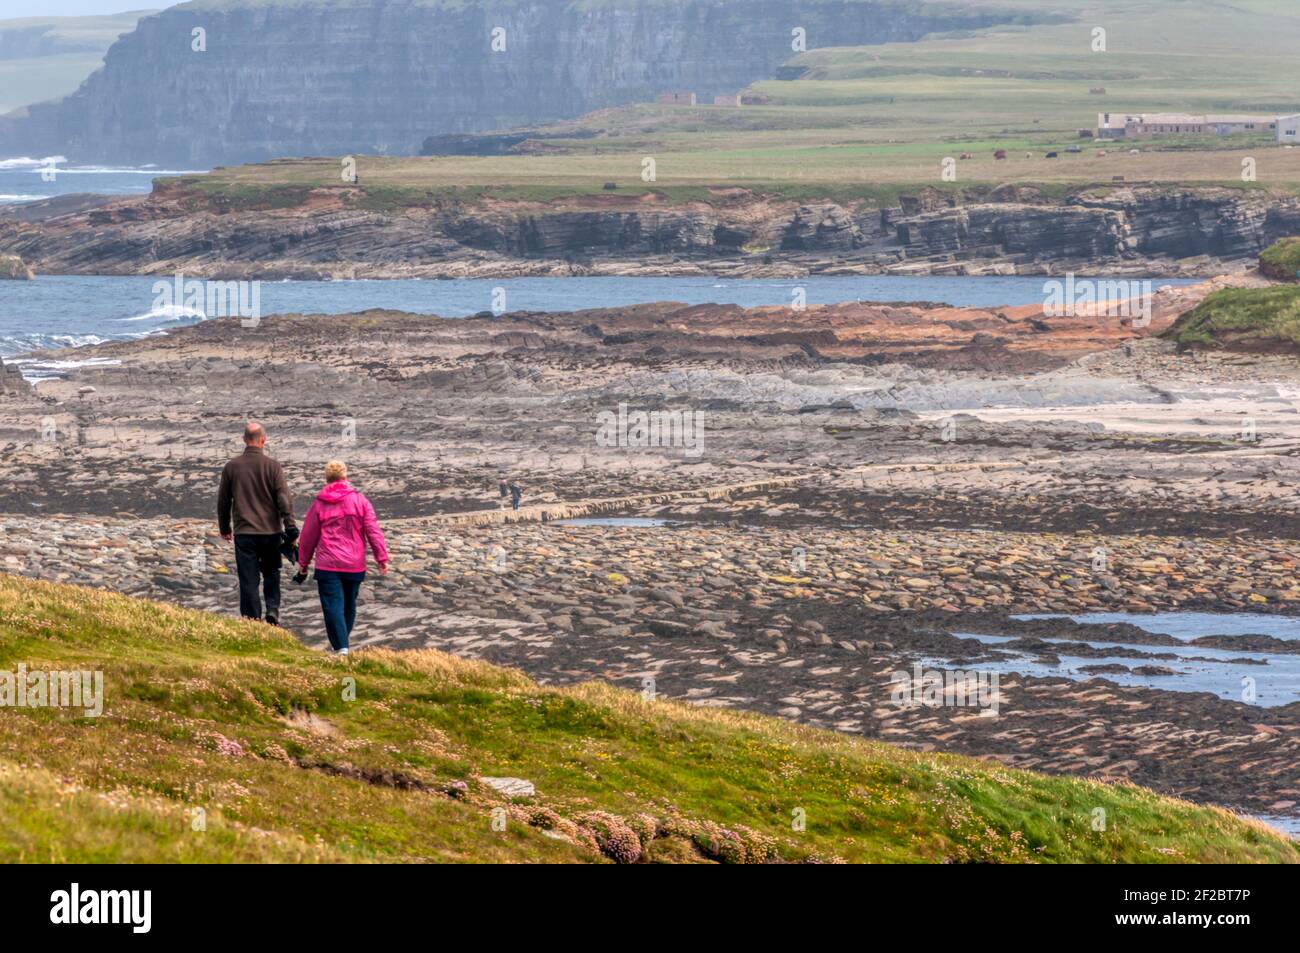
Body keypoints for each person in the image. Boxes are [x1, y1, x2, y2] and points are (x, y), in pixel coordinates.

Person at [296, 460, 389, 656]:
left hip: (328, 564)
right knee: (348, 604)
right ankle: (342, 644)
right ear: (345, 476)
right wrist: (381, 558)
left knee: (333, 606)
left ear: (327, 478)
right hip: (354, 564)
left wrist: (303, 563)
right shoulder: (360, 501)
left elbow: (308, 535)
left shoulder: (320, 503)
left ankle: (341, 646)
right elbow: (373, 530)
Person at [217, 421, 296, 625]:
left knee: (248, 579)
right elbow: (283, 498)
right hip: (270, 532)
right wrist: (290, 525)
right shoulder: (273, 466)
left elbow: (224, 501)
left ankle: (252, 619)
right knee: (271, 573)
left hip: (245, 532)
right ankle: (272, 611)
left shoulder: (232, 467)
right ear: (264, 439)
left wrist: (225, 528)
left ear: (244, 440)